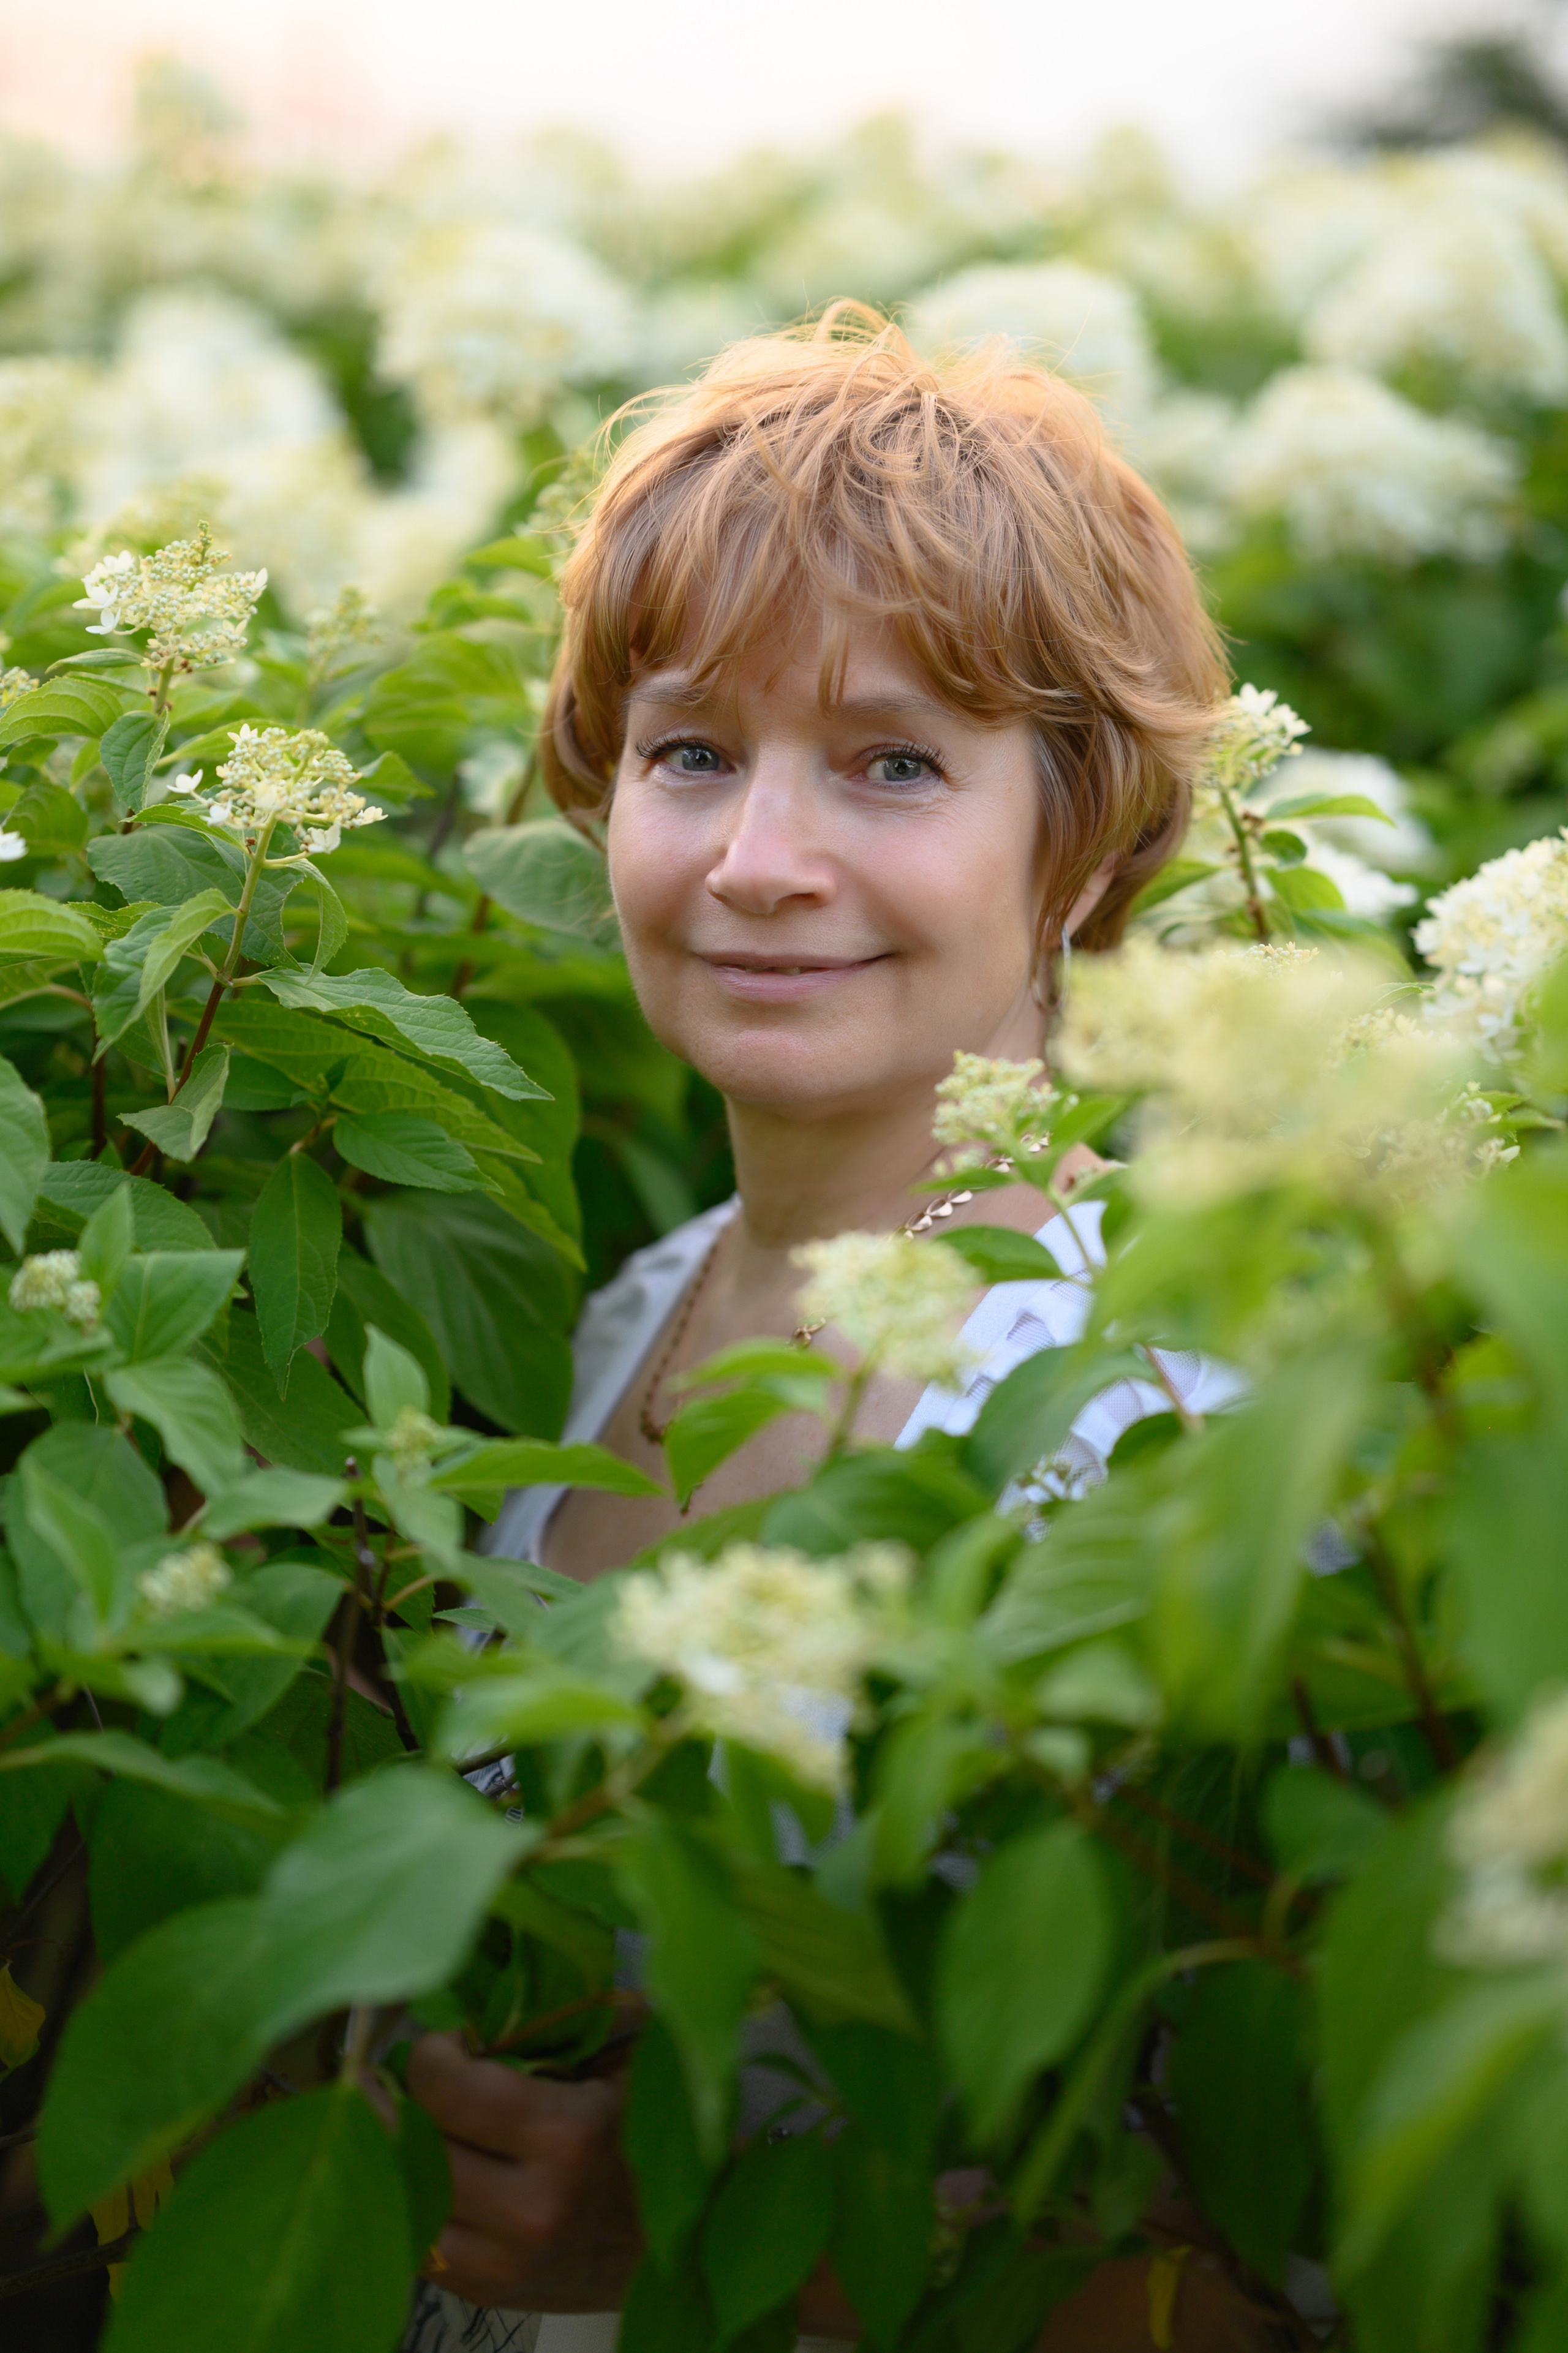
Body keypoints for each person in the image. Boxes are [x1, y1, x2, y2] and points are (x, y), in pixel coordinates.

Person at [403, 308, 1267, 2353]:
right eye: (692, 752)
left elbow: (1305, 2271)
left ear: (1083, 834)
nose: (759, 862)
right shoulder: (616, 1314)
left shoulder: (1165, 1430)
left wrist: (715, 2235)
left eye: (893, 764)